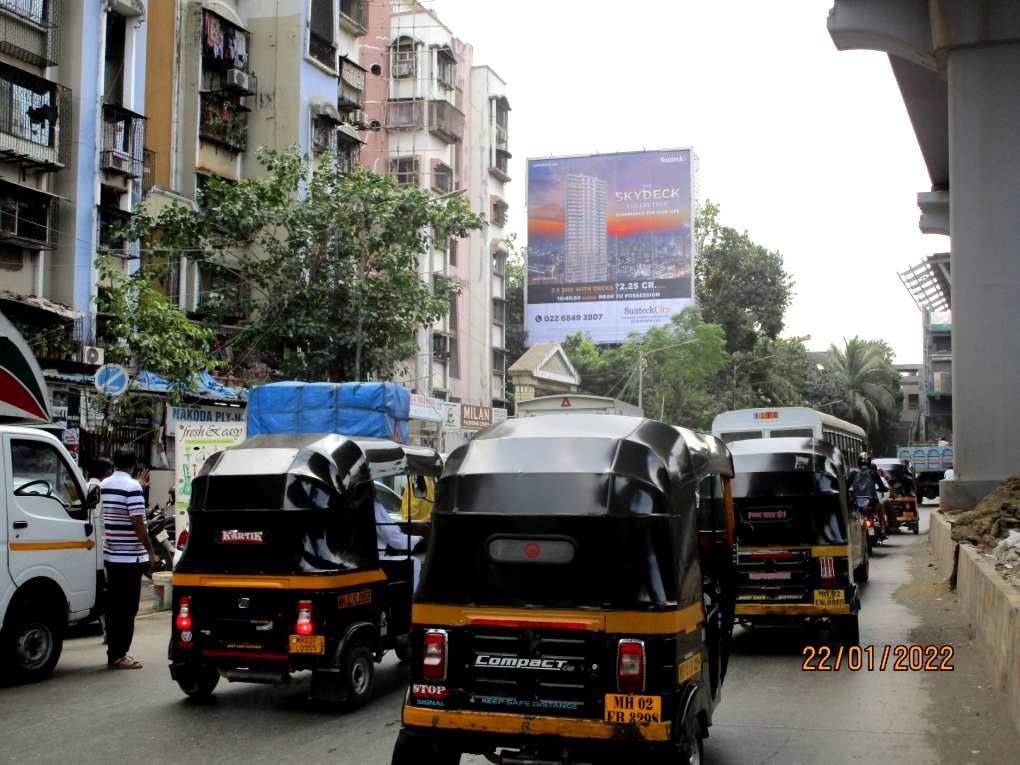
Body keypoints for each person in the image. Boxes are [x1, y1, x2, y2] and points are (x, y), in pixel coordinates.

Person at [102, 447, 156, 670]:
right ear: (134, 464)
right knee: (127, 609)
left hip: (109, 555)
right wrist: (150, 551)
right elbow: (137, 523)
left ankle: (113, 652)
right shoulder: (132, 487)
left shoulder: (103, 485)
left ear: (114, 463)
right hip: (129, 558)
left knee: (114, 607)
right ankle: (119, 654)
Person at [87, 457, 114, 644]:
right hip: (102, 547)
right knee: (106, 592)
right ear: (106, 473)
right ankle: (108, 632)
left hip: (86, 545)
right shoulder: (103, 489)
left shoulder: (85, 486)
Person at [375, 497, 423, 588]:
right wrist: (416, 539)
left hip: (350, 559)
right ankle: (411, 598)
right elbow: (393, 538)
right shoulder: (374, 507)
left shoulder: (346, 506)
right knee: (415, 562)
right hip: (373, 560)